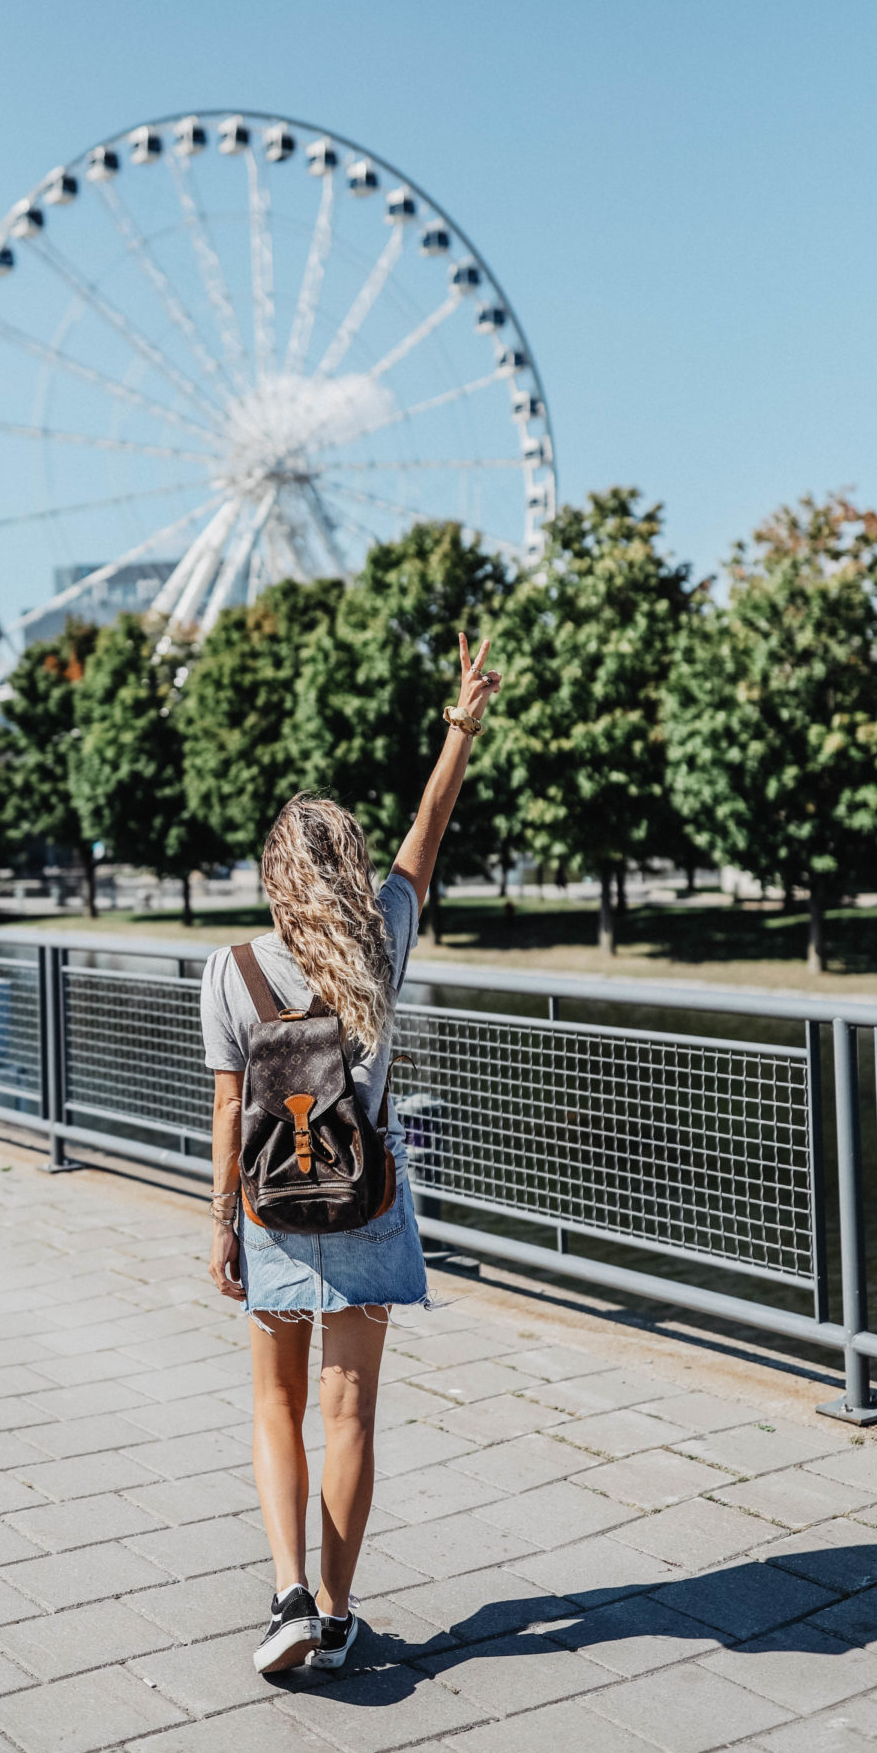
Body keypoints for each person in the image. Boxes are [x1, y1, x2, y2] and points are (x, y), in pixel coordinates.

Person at [201, 632, 502, 1676]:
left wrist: (221, 1224)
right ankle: (334, 1613)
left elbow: (231, 1113)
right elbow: (429, 832)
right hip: (370, 1199)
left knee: (275, 1401)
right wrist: (459, 728)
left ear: (275, 873)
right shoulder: (382, 941)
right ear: (349, 867)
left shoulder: (232, 971)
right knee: (352, 1409)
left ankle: (284, 1596)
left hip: (276, 1203)